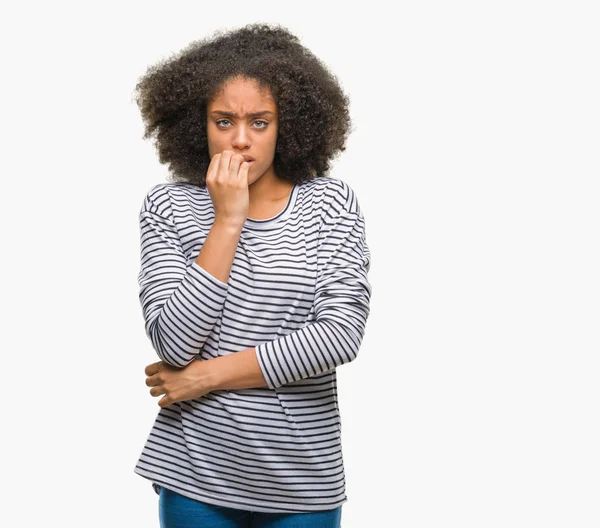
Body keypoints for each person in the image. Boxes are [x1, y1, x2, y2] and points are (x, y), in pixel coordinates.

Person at [134, 22, 372, 528]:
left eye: (259, 122)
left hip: (302, 482)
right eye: (224, 121)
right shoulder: (169, 207)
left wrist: (206, 376)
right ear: (197, 123)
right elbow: (175, 345)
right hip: (195, 476)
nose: (240, 141)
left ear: (290, 124)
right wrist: (227, 220)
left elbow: (340, 335)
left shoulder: (330, 204)